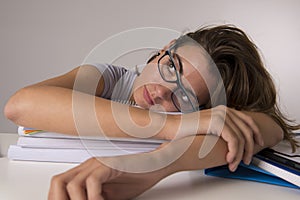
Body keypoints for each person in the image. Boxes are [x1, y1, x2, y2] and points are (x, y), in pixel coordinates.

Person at [4, 25, 299, 200]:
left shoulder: (200, 119)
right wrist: (172, 126)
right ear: (164, 49)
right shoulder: (110, 78)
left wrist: (155, 164)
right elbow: (19, 106)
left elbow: (267, 126)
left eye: (183, 97)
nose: (159, 91)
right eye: (172, 67)